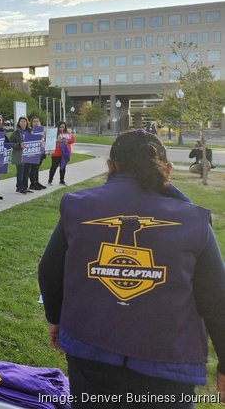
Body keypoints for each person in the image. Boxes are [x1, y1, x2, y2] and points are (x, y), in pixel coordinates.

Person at [38, 130, 225, 405]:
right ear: (167, 168)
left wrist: (55, 319)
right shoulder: (192, 220)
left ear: (110, 165)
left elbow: (48, 270)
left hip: (91, 352)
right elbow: (217, 299)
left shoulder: (78, 207)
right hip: (166, 366)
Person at [9, 116, 34, 195]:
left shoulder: (30, 131)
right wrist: (19, 145)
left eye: (24, 121)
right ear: (19, 123)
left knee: (27, 171)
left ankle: (25, 187)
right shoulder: (16, 133)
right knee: (20, 172)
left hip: (28, 155)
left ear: (27, 123)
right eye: (21, 121)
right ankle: (19, 188)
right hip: (19, 155)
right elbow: (10, 144)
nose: (23, 123)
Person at [48, 121, 75, 186]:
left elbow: (73, 140)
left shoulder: (67, 133)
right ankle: (50, 180)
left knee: (63, 167)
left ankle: (62, 180)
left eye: (63, 127)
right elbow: (49, 141)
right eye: (60, 127)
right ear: (57, 127)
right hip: (56, 153)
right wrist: (57, 140)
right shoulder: (54, 133)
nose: (62, 128)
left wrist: (67, 140)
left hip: (64, 153)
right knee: (54, 167)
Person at [29, 116, 47, 190]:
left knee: (37, 168)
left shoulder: (42, 131)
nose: (36, 123)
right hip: (33, 153)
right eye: (34, 121)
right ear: (31, 123)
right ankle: (32, 184)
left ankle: (36, 182)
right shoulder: (30, 131)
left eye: (37, 121)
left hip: (41, 152)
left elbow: (44, 141)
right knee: (33, 168)